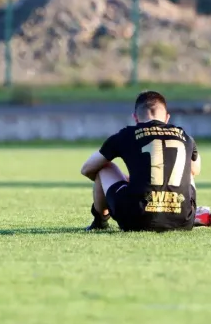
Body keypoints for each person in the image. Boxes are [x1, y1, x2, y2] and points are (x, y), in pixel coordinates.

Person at [80, 91, 203, 232]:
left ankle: (100, 221)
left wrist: (127, 182)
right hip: (182, 221)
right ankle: (182, 210)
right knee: (188, 171)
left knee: (104, 168)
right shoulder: (186, 137)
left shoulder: (125, 135)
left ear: (135, 118)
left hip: (136, 219)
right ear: (167, 118)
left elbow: (87, 169)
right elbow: (195, 170)